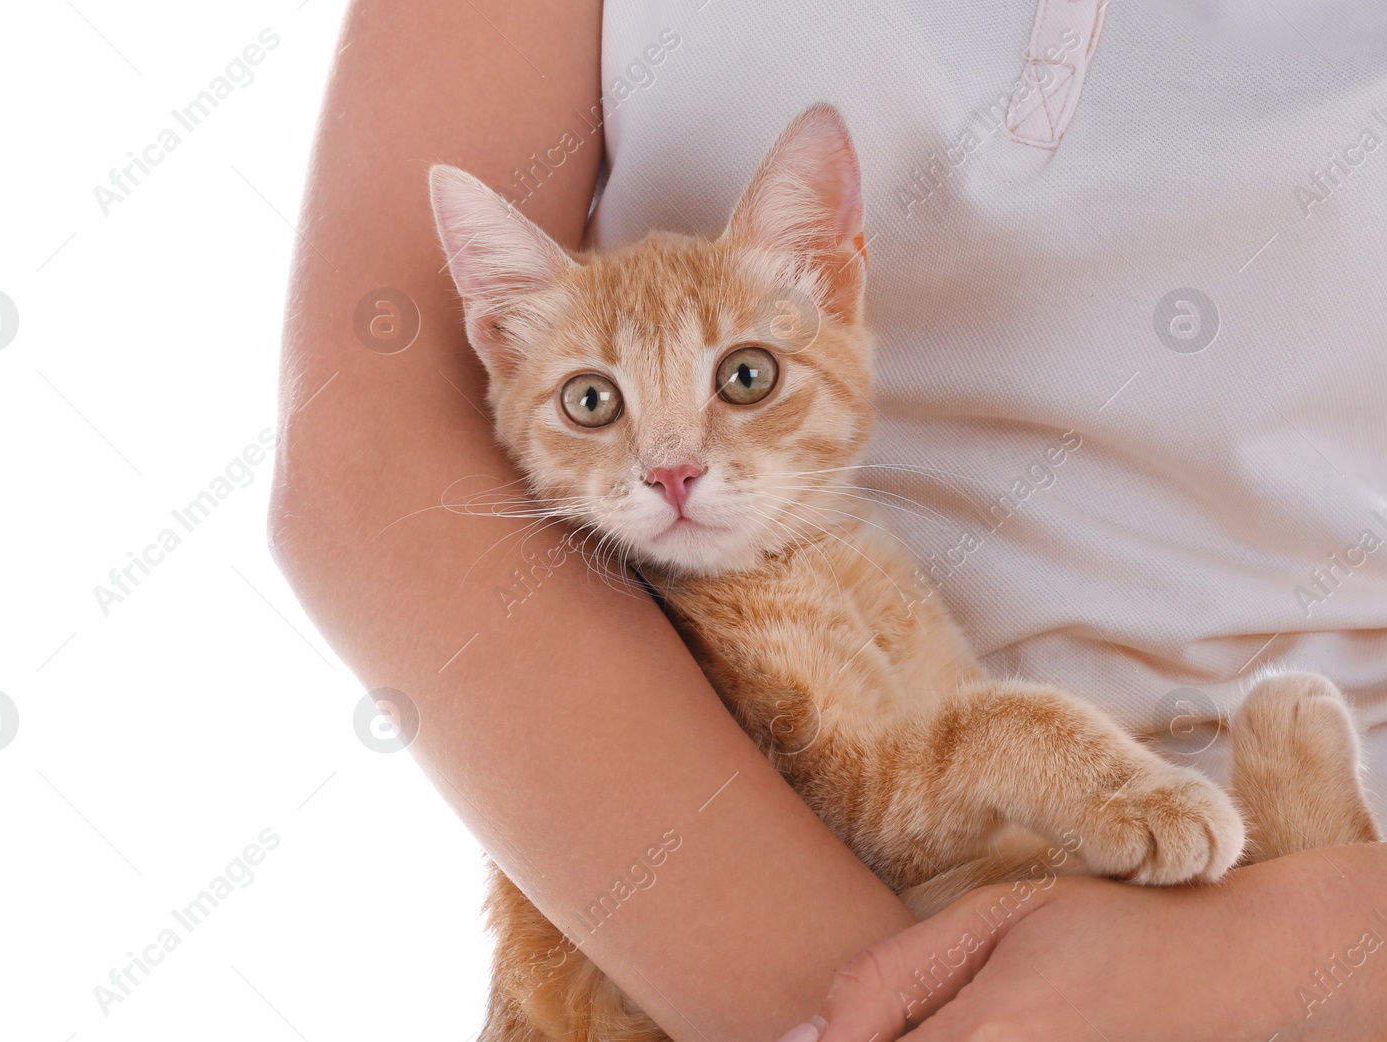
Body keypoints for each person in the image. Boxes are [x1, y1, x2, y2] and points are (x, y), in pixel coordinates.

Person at [269, 1, 1387, 1038]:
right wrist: (898, 1012)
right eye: (598, 402)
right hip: (712, 939)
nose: (670, 464)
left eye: (742, 381)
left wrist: (1289, 954)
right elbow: (370, 451)